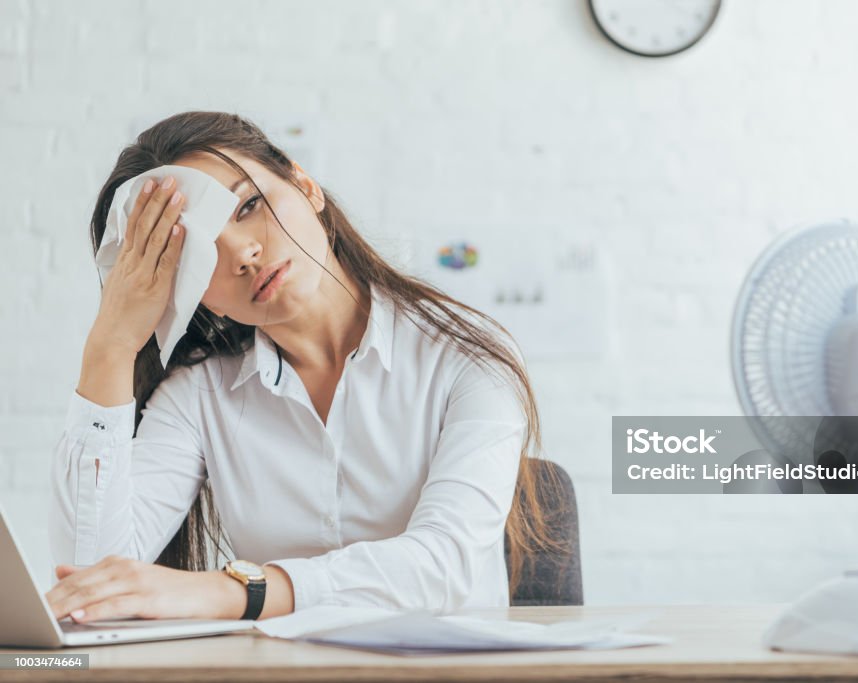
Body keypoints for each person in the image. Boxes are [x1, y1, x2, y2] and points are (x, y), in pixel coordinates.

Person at [46, 111, 557, 623]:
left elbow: (444, 566)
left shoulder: (465, 355)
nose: (242, 253)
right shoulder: (198, 397)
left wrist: (237, 592)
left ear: (306, 186)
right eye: (199, 253)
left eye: (247, 205)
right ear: (194, 295)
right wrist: (111, 345)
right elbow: (89, 586)